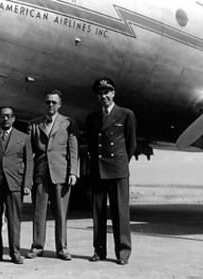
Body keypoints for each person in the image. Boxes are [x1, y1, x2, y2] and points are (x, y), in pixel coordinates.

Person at [86, 77, 137, 265]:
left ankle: (123, 252)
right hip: (98, 170)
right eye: (100, 93)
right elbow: (92, 144)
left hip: (117, 170)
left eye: (107, 92)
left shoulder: (126, 114)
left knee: (120, 213)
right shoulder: (92, 117)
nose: (104, 96)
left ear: (113, 93)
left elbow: (131, 144)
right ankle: (99, 251)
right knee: (98, 212)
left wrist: (122, 163)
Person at [26, 89, 79, 261]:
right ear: (44, 103)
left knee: (61, 213)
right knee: (38, 212)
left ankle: (62, 248)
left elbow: (73, 150)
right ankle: (37, 246)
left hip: (61, 174)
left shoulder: (68, 123)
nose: (50, 105)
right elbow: (28, 153)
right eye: (48, 102)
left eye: (54, 102)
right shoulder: (34, 124)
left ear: (60, 104)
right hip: (40, 175)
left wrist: (73, 172)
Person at [0, 107, 33, 265]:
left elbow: (29, 162)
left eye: (9, 116)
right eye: (3, 116)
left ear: (14, 119)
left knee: (14, 220)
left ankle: (15, 253)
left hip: (15, 183)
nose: (6, 119)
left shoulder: (23, 138)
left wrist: (27, 184)